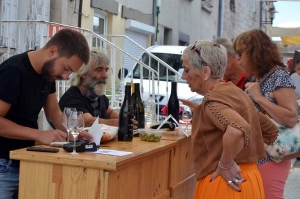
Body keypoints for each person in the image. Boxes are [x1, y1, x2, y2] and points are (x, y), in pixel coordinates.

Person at [0, 28, 93, 199]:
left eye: (70, 72)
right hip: (3, 164)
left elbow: (53, 112)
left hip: (26, 159)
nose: (65, 76)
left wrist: (72, 133)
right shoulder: (13, 71)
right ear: (53, 51)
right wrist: (39, 134)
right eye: (66, 68)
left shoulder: (47, 73)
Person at [181, 40, 278, 198]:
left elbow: (238, 129)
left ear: (206, 72)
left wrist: (226, 163)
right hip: (249, 180)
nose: (183, 76)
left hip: (224, 184)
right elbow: (270, 130)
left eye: (186, 70)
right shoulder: (234, 91)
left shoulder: (213, 100)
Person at [233, 29, 298, 199]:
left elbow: (291, 117)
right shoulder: (258, 78)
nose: (237, 58)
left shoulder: (279, 76)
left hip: (270, 156)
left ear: (256, 52)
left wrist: (259, 98)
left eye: (240, 53)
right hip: (258, 156)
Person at [59, 50, 119, 127]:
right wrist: (121, 123)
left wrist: (128, 120)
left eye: (106, 70)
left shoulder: (98, 96)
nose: (105, 76)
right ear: (83, 73)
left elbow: (110, 113)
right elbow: (88, 122)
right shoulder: (71, 99)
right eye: (99, 69)